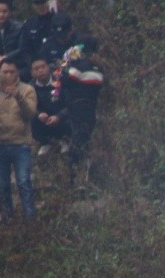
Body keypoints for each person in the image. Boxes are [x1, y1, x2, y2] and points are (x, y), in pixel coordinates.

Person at [0, 59, 35, 220]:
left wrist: (18, 97)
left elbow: (30, 114)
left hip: (21, 143)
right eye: (5, 71)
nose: (8, 75)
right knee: (1, 184)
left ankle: (30, 218)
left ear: (17, 73)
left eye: (12, 72)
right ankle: (7, 218)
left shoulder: (27, 90)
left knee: (24, 181)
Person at [59, 37, 103, 181]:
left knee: (78, 137)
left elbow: (64, 81)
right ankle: (82, 168)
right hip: (91, 107)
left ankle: (74, 169)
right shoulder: (99, 68)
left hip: (77, 107)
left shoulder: (78, 66)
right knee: (85, 136)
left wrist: (65, 67)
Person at [30, 56, 68, 154]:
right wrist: (38, 114)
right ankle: (45, 143)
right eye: (36, 69)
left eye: (43, 67)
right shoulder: (30, 88)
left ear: (48, 68)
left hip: (61, 117)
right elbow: (29, 106)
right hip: (44, 119)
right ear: (32, 73)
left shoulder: (60, 81)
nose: (40, 71)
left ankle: (65, 140)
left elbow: (70, 104)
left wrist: (59, 116)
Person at [19, 0, 54, 77]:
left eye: (43, 3)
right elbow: (24, 49)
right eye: (38, 4)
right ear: (34, 6)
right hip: (34, 64)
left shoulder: (57, 21)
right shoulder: (29, 24)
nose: (41, 6)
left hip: (53, 63)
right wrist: (32, 63)